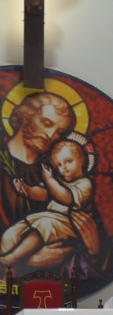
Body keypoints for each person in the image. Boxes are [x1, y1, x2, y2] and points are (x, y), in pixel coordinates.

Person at [0, 140, 93, 267]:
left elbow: (66, 198)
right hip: (49, 219)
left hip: (67, 225)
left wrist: (49, 179)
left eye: (69, 161)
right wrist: (28, 190)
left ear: (81, 159)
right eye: (59, 165)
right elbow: (43, 194)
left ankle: (14, 256)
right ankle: (5, 266)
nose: (64, 167)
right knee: (15, 231)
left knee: (43, 226)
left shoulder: (84, 183)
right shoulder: (57, 183)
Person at [1, 92, 76, 230]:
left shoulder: (56, 173)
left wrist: (92, 247)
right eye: (47, 123)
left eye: (59, 132)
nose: (50, 135)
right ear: (25, 116)